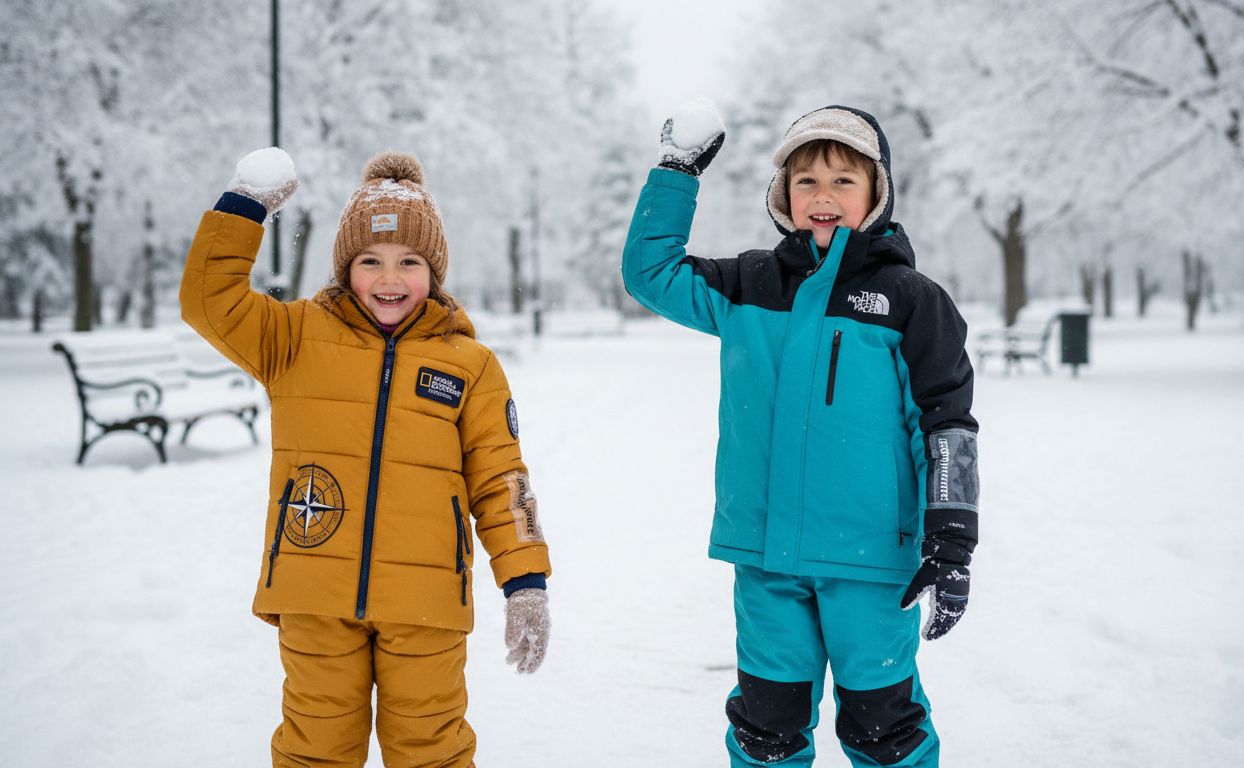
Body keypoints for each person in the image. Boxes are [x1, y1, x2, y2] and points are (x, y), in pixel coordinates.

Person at [622, 105, 979, 767]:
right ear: (782, 194)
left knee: (884, 731)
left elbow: (948, 425)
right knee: (767, 730)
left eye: (845, 180)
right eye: (806, 180)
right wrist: (676, 174)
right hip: (766, 562)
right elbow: (650, 274)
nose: (824, 196)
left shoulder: (911, 299)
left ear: (878, 193)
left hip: (872, 566)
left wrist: (952, 538)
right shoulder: (746, 285)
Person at [180, 148, 552, 768]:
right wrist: (245, 206)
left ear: (434, 273)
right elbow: (207, 301)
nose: (389, 278)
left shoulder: (469, 365)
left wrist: (527, 582)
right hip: (314, 590)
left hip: (426, 602)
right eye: (370, 261)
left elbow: (501, 481)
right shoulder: (292, 338)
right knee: (315, 751)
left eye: (410, 262)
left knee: (431, 752)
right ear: (344, 268)